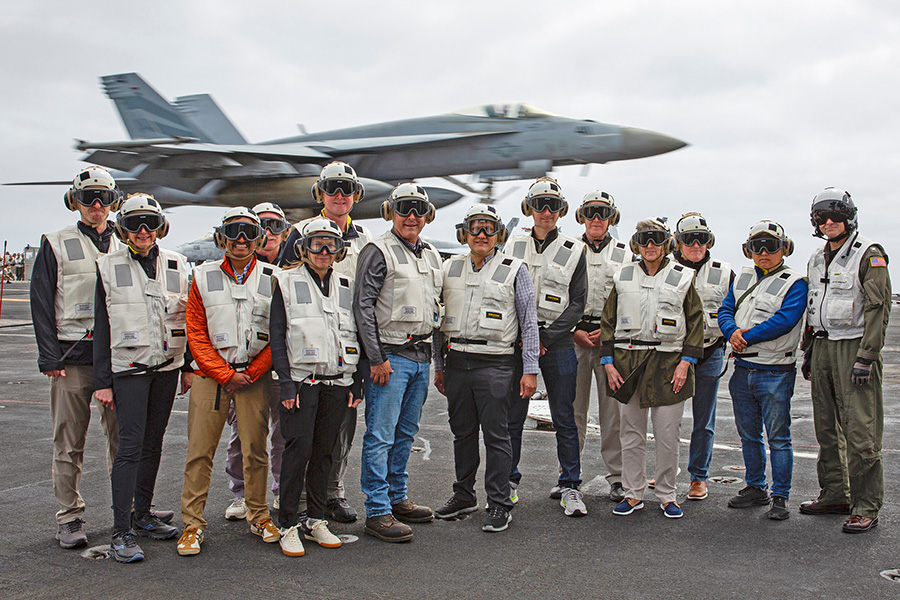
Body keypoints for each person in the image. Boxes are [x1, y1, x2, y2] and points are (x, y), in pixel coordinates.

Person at [176, 207, 282, 556]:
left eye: (248, 233)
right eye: (233, 231)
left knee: (255, 450)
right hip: (212, 376)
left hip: (254, 376)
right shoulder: (202, 277)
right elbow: (195, 331)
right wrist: (223, 373)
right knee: (199, 452)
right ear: (223, 236)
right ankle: (192, 524)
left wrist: (252, 372)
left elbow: (278, 333)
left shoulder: (273, 277)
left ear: (259, 239)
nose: (240, 239)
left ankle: (259, 513)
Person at [94, 195, 191, 562]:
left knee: (154, 444)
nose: (143, 231)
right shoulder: (107, 265)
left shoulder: (176, 263)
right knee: (130, 448)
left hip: (165, 369)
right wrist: (102, 381)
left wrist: (187, 368)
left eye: (149, 223)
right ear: (124, 227)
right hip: (129, 371)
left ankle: (144, 513)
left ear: (160, 226)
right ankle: (121, 532)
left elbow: (187, 318)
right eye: (135, 224)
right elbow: (100, 327)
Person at [30, 166, 122, 549]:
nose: (96, 206)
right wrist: (50, 357)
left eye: (103, 198)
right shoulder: (55, 243)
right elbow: (40, 302)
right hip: (72, 358)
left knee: (124, 440)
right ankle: (69, 517)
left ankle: (128, 509)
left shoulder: (128, 241)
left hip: (118, 360)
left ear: (113, 201)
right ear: (75, 202)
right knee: (69, 442)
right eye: (88, 198)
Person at [432, 204, 539, 533]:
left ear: (499, 234)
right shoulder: (449, 268)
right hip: (457, 361)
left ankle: (499, 502)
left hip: (496, 362)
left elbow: (529, 322)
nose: (481, 235)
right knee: (462, 433)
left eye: (488, 229)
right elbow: (438, 321)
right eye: (475, 228)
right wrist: (439, 365)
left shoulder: (514, 269)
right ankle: (464, 494)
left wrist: (530, 368)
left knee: (496, 435)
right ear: (464, 233)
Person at [282, 161, 372, 523]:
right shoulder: (299, 232)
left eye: (346, 188)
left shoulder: (364, 239)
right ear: (319, 192)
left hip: (345, 351)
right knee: (300, 437)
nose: (339, 195)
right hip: (305, 352)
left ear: (355, 195)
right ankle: (299, 501)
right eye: (332, 187)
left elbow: (368, 300)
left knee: (340, 431)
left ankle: (331, 494)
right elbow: (283, 287)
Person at [354, 183, 442, 542]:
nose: (411, 216)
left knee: (406, 433)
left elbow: (438, 308)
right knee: (380, 435)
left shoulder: (432, 254)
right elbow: (363, 306)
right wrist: (376, 358)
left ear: (427, 215)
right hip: (390, 358)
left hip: (421, 357)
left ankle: (396, 497)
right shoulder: (378, 250)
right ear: (391, 211)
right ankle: (377, 510)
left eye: (418, 209)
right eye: (404, 208)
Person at [269, 219, 363, 556]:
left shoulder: (348, 285)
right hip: (301, 382)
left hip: (338, 382)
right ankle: (288, 523)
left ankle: (316, 519)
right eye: (316, 244)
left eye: (330, 245)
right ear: (303, 248)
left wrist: (357, 381)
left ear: (339, 250)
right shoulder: (285, 281)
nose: (324, 252)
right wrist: (286, 385)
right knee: (298, 451)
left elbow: (359, 334)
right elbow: (277, 337)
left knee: (326, 452)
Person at [801, 188, 891, 533]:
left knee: (860, 430)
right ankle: (835, 493)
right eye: (822, 217)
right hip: (823, 347)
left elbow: (878, 307)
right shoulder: (815, 258)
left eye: (835, 216)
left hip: (853, 347)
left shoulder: (869, 253)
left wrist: (867, 356)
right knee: (826, 427)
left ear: (848, 217)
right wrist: (809, 350)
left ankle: (866, 505)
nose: (828, 223)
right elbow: (814, 307)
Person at [601, 218, 703, 519]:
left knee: (667, 434)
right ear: (636, 243)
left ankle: (667, 495)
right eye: (644, 240)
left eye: (656, 239)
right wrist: (608, 363)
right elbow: (608, 320)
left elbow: (696, 321)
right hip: (629, 362)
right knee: (630, 433)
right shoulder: (623, 276)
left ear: (666, 243)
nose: (650, 246)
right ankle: (633, 494)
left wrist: (686, 363)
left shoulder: (683, 276)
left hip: (669, 363)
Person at [504, 177, 588, 517]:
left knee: (564, 418)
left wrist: (545, 339)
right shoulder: (512, 244)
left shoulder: (574, 249)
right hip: (519, 342)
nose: (546, 212)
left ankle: (570, 485)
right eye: (540, 205)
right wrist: (527, 341)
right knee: (513, 417)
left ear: (562, 210)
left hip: (558, 344)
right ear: (529, 208)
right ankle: (507, 482)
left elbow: (577, 304)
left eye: (553, 206)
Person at [717, 221, 807, 521]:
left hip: (775, 371)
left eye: (772, 246)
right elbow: (725, 309)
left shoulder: (795, 282)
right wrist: (731, 332)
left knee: (779, 437)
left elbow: (786, 319)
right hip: (743, 369)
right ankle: (756, 486)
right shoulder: (742, 276)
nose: (764, 252)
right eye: (757, 247)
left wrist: (746, 336)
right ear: (749, 250)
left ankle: (780, 496)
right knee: (749, 435)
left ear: (785, 248)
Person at [222, 201, 290, 520]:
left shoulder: (290, 267)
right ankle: (241, 493)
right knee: (242, 434)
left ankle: (279, 488)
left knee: (281, 432)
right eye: (261, 224)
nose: (268, 231)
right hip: (244, 368)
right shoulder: (234, 266)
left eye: (276, 225)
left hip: (280, 365)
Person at [571, 191, 630, 503]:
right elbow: (557, 295)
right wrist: (574, 330)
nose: (596, 218)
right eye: (591, 212)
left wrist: (608, 334)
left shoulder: (625, 253)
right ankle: (569, 476)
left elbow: (631, 299)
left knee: (613, 415)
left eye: (602, 212)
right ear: (582, 215)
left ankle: (618, 478)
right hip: (575, 339)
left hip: (611, 342)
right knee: (573, 411)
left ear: (612, 217)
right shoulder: (567, 250)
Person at [672, 213, 733, 501]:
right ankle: (667, 472)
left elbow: (736, 309)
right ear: (678, 242)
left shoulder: (725, 272)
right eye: (688, 239)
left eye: (702, 239)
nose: (696, 245)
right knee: (667, 418)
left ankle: (699, 477)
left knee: (704, 420)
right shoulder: (667, 269)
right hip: (673, 354)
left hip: (710, 351)